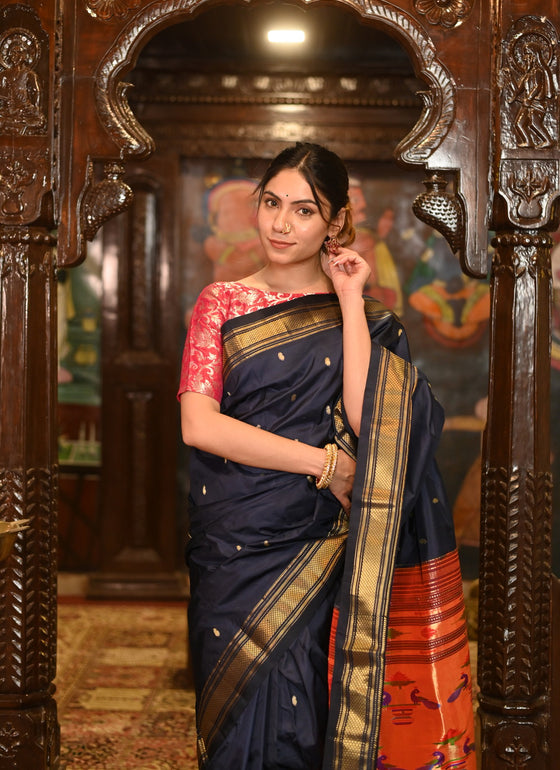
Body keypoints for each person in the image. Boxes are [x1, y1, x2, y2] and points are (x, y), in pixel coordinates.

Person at [178, 142, 475, 770]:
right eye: (271, 203)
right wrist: (325, 465)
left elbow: (370, 420)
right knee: (232, 714)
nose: (281, 224)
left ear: (336, 220)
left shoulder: (369, 319)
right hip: (235, 540)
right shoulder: (222, 302)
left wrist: (348, 297)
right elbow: (199, 425)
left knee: (310, 712)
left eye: (304, 210)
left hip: (322, 543)